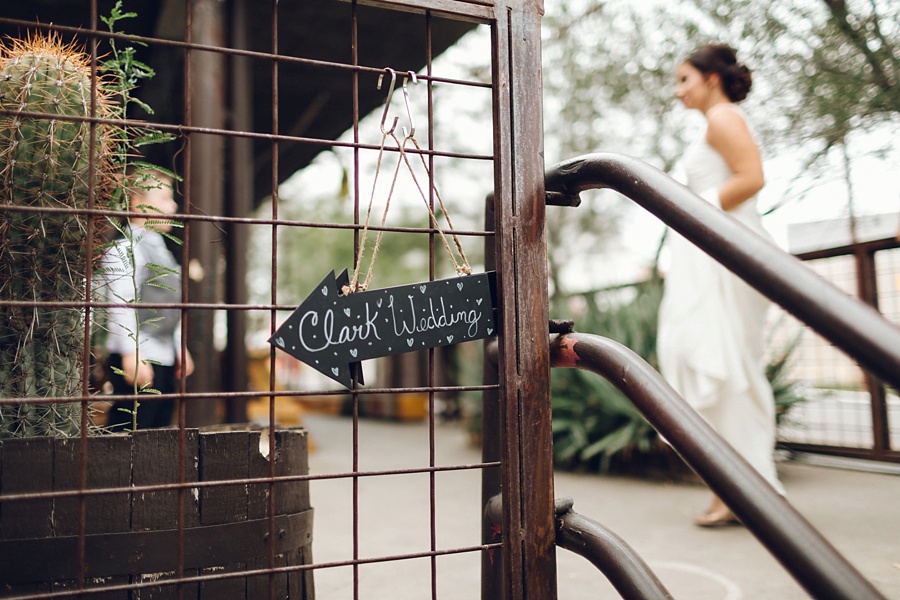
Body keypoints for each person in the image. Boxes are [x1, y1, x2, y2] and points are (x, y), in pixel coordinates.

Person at [657, 44, 784, 527]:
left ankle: (745, 489)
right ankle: (735, 487)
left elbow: (752, 178)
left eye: (685, 79)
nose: (678, 91)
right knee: (720, 362)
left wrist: (692, 212)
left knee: (729, 366)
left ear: (711, 78)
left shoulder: (723, 118)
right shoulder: (716, 121)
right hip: (711, 253)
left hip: (726, 253)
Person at [101, 168, 193, 430]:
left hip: (164, 353)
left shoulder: (162, 251)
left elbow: (171, 303)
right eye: (164, 198)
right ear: (137, 203)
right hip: (139, 354)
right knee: (131, 428)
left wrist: (180, 346)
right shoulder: (125, 248)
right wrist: (131, 353)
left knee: (158, 429)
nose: (173, 206)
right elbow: (121, 303)